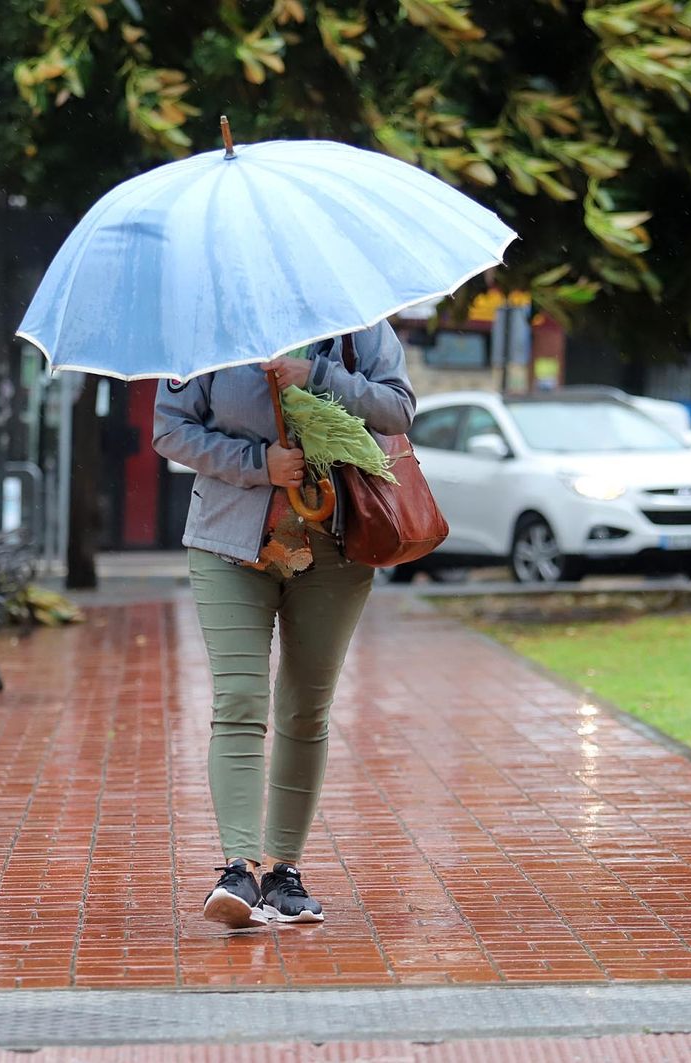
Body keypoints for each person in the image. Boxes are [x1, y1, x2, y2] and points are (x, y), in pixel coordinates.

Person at [152, 320, 415, 929]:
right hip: (228, 544)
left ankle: (284, 872)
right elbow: (171, 428)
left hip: (338, 546)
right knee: (239, 699)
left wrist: (317, 376)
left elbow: (398, 410)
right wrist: (258, 463)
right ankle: (238, 869)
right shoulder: (207, 332)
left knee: (304, 709)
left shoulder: (359, 328)